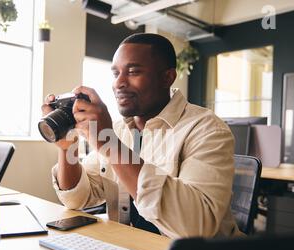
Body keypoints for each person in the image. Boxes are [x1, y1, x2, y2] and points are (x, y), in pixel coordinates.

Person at [42, 33, 241, 239]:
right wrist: (67, 148)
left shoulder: (206, 129)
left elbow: (197, 227)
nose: (119, 83)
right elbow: (78, 199)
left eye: (133, 71)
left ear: (167, 78)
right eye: (115, 73)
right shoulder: (118, 130)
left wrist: (110, 145)